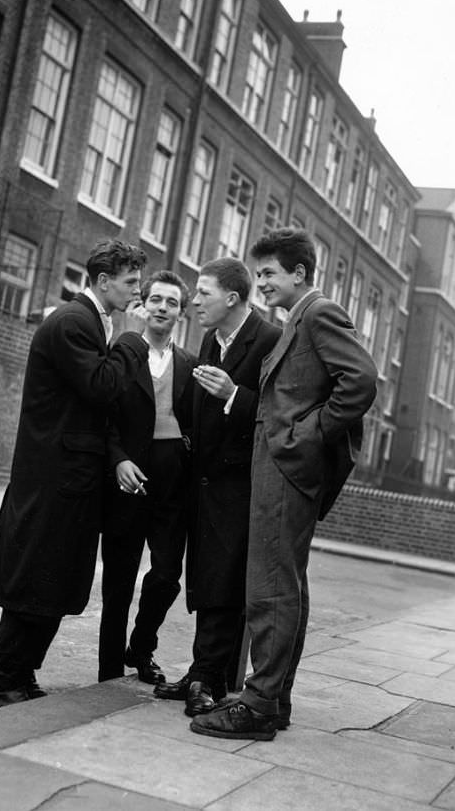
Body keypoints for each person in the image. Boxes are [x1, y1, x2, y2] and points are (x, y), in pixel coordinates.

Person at [191, 228, 378, 740]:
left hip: (288, 469)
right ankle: (274, 699)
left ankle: (257, 704)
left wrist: (306, 435)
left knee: (271, 587)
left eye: (269, 273)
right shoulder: (299, 317)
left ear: (299, 273)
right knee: (284, 583)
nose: (262, 283)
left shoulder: (318, 313)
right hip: (281, 469)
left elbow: (360, 381)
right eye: (259, 274)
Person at [0, 238, 149, 710]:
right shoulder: (74, 322)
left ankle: (24, 674)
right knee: (36, 577)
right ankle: (8, 680)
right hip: (53, 478)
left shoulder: (92, 321)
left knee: (54, 578)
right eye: (130, 282)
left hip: (69, 480)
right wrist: (133, 339)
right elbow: (101, 387)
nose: (137, 292)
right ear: (101, 281)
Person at [154, 257, 280, 716]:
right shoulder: (211, 338)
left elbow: (278, 415)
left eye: (202, 292)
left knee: (225, 583)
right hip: (204, 485)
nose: (194, 301)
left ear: (231, 297)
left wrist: (233, 395)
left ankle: (209, 678)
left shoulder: (269, 341)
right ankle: (201, 671)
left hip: (239, 488)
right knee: (206, 578)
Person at [98, 270, 196, 685]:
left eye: (172, 303)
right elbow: (103, 414)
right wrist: (117, 459)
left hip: (172, 478)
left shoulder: (190, 363)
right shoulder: (124, 350)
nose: (162, 308)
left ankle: (141, 649)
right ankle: (108, 669)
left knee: (166, 574)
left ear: (180, 313)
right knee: (118, 579)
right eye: (156, 299)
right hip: (128, 476)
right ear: (143, 306)